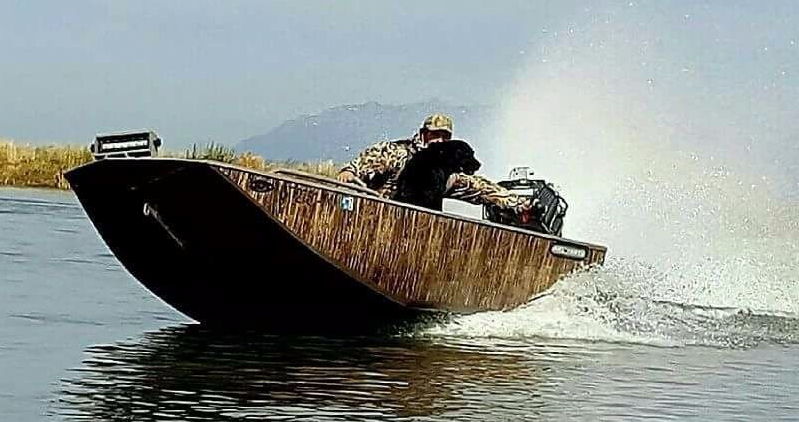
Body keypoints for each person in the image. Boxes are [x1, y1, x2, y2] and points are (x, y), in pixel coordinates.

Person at [336, 113, 533, 213]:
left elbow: (482, 188)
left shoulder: (446, 173)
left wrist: (517, 203)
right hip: (378, 216)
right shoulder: (397, 152)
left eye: (444, 136)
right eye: (434, 134)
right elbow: (367, 160)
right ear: (423, 134)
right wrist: (349, 171)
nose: (438, 140)